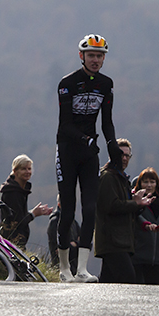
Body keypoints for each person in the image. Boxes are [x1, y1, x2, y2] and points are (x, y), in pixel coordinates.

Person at [55, 34, 121, 282]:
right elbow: (65, 125)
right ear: (81, 56)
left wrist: (112, 145)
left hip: (89, 152)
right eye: (91, 55)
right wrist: (86, 140)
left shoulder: (106, 84)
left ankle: (82, 269)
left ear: (104, 58)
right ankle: (64, 268)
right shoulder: (67, 83)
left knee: (90, 209)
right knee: (68, 210)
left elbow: (107, 121)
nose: (95, 60)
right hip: (68, 150)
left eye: (100, 56)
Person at [94, 138, 153, 283]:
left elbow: (125, 208)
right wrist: (135, 203)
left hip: (120, 241)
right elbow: (111, 206)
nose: (125, 158)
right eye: (121, 154)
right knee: (128, 278)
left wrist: (137, 205)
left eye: (127, 155)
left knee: (107, 282)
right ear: (112, 155)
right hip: (113, 241)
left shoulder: (120, 178)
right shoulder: (108, 177)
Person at [0, 154, 52, 249]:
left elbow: (18, 215)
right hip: (11, 243)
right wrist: (33, 214)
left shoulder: (19, 190)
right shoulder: (13, 192)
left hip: (14, 242)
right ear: (15, 171)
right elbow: (17, 222)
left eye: (29, 169)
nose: (27, 172)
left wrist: (34, 212)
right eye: (23, 169)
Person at [131, 167, 159, 284]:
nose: (149, 185)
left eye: (152, 182)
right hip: (138, 258)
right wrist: (146, 225)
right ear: (140, 184)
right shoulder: (135, 204)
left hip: (157, 260)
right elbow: (136, 218)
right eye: (145, 182)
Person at [47, 196, 81, 273]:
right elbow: (57, 247)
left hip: (75, 266)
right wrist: (74, 245)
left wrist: (75, 244)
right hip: (60, 268)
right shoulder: (54, 222)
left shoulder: (74, 222)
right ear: (59, 205)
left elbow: (85, 242)